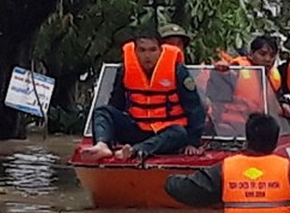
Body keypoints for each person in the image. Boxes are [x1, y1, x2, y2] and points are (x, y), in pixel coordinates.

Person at [165, 113, 290, 213]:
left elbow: (184, 190)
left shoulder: (226, 169)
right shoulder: (288, 170)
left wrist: (169, 180)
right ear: (275, 141)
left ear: (247, 138)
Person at [80, 30, 206, 161]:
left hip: (166, 131)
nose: (147, 56)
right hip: (137, 128)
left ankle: (135, 150)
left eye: (152, 50)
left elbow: (195, 108)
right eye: (142, 50)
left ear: (160, 50)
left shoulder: (178, 70)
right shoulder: (124, 70)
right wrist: (113, 132)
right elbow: (116, 104)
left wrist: (193, 142)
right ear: (135, 51)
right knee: (102, 111)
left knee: (179, 133)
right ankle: (102, 145)